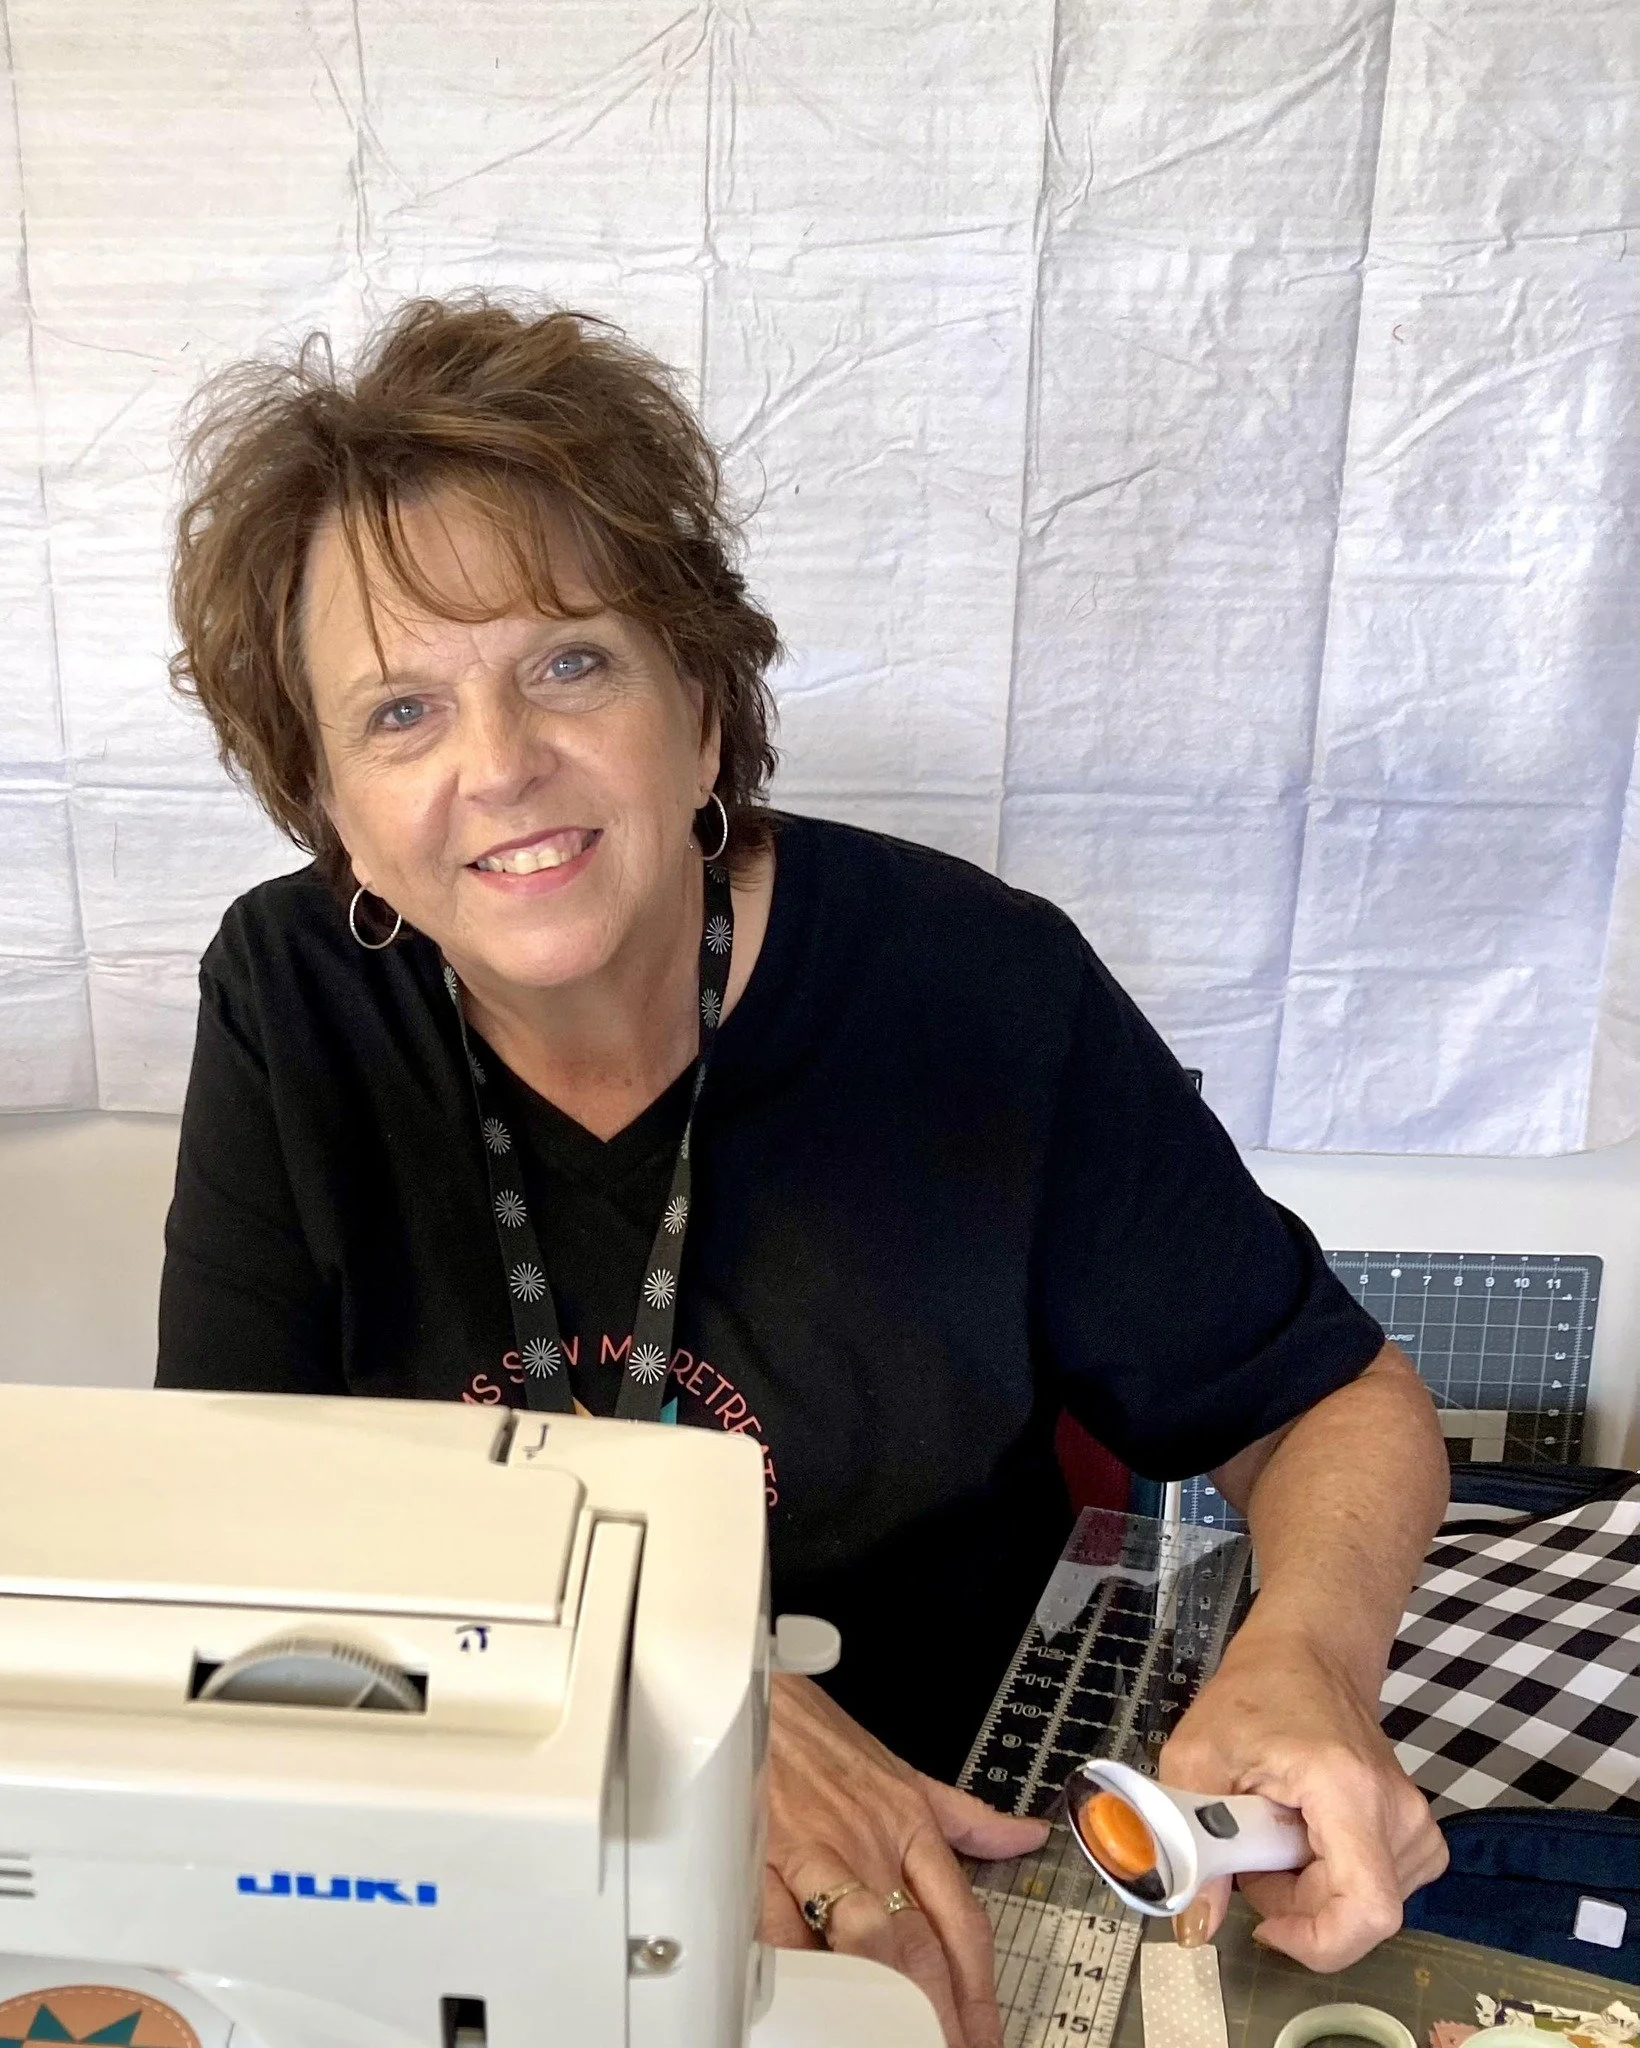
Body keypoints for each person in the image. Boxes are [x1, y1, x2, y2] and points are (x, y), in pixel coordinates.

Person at [156, 296, 1450, 2048]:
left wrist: (1304, 1664)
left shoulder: (980, 992)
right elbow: (232, 1515)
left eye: (569, 660)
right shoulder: (291, 998)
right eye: (399, 712)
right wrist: (703, 1709)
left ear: (701, 702)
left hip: (957, 1854)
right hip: (493, 1816)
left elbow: (1334, 1403)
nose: (499, 763)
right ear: (333, 805)